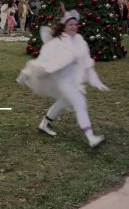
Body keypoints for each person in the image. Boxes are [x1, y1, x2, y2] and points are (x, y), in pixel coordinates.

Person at [17, 9, 109, 148]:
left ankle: (45, 123)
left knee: (63, 101)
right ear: (65, 26)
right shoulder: (57, 42)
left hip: (72, 79)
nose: (73, 27)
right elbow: (43, 60)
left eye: (75, 24)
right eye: (70, 24)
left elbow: (86, 61)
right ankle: (91, 137)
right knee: (79, 102)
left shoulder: (79, 41)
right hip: (60, 79)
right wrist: (27, 72)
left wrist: (94, 78)